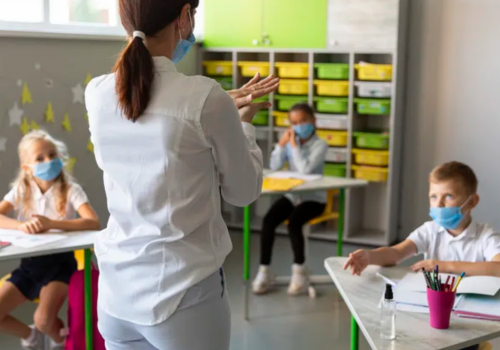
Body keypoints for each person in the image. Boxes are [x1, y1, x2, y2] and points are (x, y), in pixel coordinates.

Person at [85, 0, 277, 349]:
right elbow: (243, 191)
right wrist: (243, 124)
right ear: (185, 17)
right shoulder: (204, 98)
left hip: (116, 295)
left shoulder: (97, 92)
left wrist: (220, 108)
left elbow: (161, 111)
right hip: (183, 296)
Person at [0, 130, 100, 350]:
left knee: (44, 320)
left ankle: (60, 340)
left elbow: (93, 222)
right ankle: (31, 336)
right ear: (27, 168)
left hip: (60, 266)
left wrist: (51, 224)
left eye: (52, 154)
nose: (49, 161)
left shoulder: (70, 190)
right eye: (40, 158)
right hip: (29, 266)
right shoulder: (21, 190)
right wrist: (21, 225)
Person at [344, 161, 500, 277]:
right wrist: (369, 256)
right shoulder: (430, 231)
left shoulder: (485, 236)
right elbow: (397, 252)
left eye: (449, 196)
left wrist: (445, 266)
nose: (439, 204)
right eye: (433, 197)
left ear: (472, 202)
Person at [252, 103, 328, 295]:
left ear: (313, 121)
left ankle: (299, 272)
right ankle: (264, 271)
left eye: (302, 121)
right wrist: (281, 145)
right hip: (292, 195)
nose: (298, 126)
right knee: (269, 220)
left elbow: (304, 170)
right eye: (294, 122)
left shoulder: (320, 145)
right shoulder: (289, 143)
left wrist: (293, 147)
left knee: (294, 222)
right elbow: (274, 166)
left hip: (314, 199)